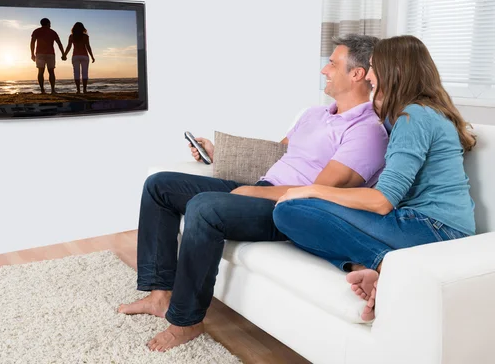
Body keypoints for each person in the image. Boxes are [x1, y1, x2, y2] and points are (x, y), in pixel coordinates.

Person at [118, 34, 389, 352]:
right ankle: (160, 295)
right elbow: (278, 158)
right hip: (262, 190)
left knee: (205, 207)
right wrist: (219, 154)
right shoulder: (314, 114)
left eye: (332, 63)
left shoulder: (366, 131)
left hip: (292, 211)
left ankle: (186, 321)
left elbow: (321, 192)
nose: (324, 70)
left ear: (357, 74)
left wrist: (255, 194)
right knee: (160, 185)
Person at [273, 35, 477, 322]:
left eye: (373, 67)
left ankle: (382, 268)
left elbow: (382, 201)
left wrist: (312, 190)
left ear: (393, 71)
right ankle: (361, 267)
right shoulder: (414, 113)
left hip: (435, 230)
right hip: (427, 223)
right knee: (292, 213)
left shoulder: (414, 117)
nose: (368, 76)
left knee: (290, 210)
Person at [30, 18, 64, 94]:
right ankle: (53, 90)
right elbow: (59, 43)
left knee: (40, 71)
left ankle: (42, 90)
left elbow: (32, 43)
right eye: (50, 23)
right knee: (51, 71)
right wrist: (63, 53)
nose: (50, 25)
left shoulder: (37, 31)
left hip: (39, 54)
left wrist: (32, 54)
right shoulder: (52, 32)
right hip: (50, 54)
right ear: (48, 23)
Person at [62, 22, 95, 93]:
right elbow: (88, 47)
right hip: (84, 56)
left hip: (75, 56)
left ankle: (78, 90)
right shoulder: (85, 36)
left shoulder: (71, 36)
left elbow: (69, 46)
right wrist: (92, 56)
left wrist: (65, 54)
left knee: (76, 73)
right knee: (85, 73)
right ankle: (85, 90)